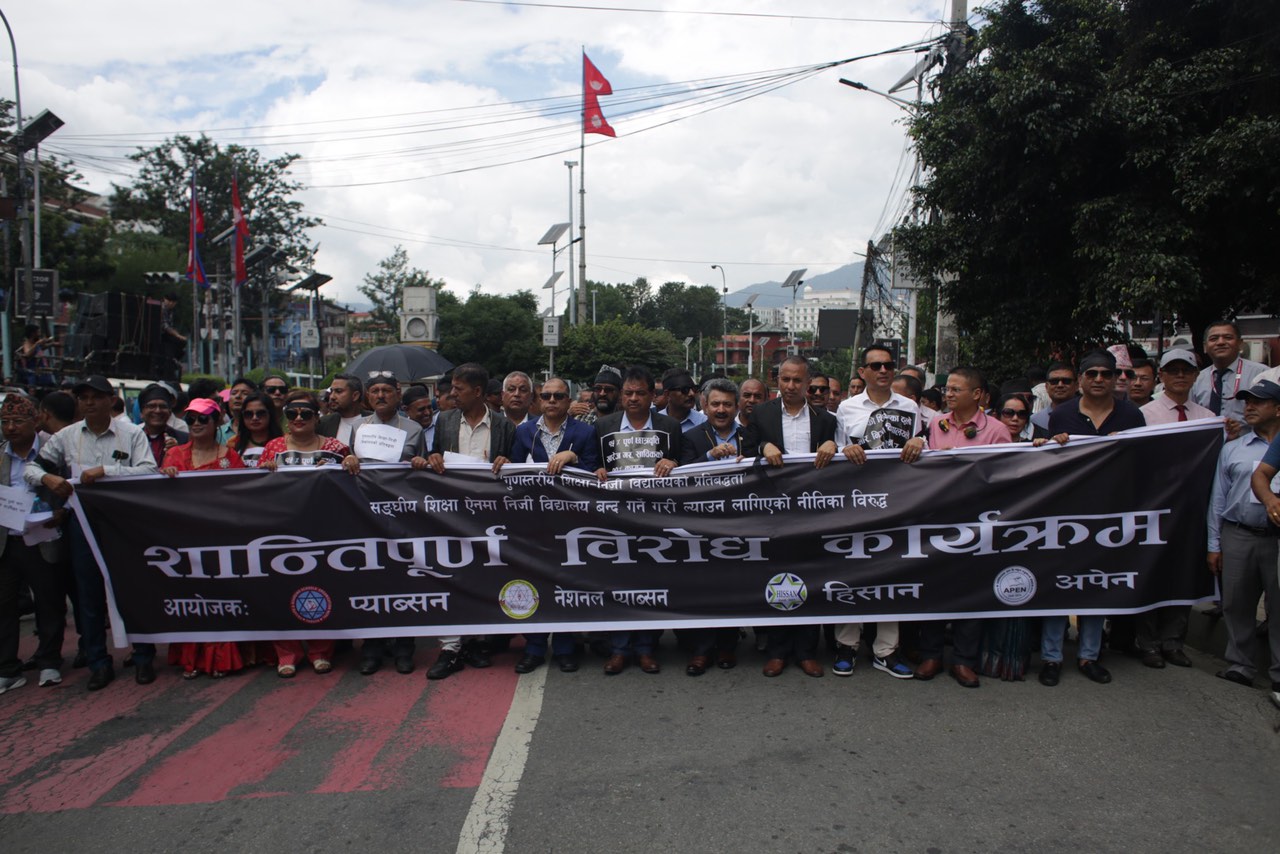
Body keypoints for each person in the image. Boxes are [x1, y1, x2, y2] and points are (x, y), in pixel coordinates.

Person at [25, 375, 159, 691]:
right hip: (82, 523)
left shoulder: (131, 434)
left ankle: (143, 656)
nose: (89, 402)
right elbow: (32, 468)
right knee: (88, 594)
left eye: (96, 397)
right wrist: (48, 479)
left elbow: (148, 470)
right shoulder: (67, 436)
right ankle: (99, 662)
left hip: (123, 523)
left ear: (110, 400)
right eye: (83, 397)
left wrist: (107, 472)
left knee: (131, 589)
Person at [1039, 351, 1146, 687]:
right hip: (1066, 514)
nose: (1099, 379)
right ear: (1081, 379)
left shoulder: (1131, 415)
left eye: (1106, 373)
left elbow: (1143, 463)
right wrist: (1049, 446)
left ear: (1115, 379)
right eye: (1092, 373)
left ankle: (1089, 655)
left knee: (1097, 585)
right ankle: (1052, 657)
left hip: (1111, 514)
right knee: (1059, 584)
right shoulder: (1062, 415)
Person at [831, 346, 924, 681]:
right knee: (851, 573)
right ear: (863, 371)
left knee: (890, 574)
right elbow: (837, 448)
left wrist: (921, 442)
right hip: (856, 502)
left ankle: (886, 650)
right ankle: (846, 646)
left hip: (897, 501)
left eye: (888, 365)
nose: (883, 370)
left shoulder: (910, 407)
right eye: (876, 365)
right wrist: (844, 449)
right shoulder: (847, 408)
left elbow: (920, 447)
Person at [742, 355, 838, 678]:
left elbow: (840, 459)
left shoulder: (826, 419)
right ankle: (778, 651)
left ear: (808, 383)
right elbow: (746, 450)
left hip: (813, 511)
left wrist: (833, 446)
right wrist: (763, 447)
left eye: (798, 380)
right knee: (777, 578)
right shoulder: (762, 413)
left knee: (811, 578)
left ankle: (807, 651)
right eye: (785, 379)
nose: (791, 386)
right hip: (774, 511)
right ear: (777, 381)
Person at [917, 367, 1012, 689]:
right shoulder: (936, 424)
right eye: (948, 389)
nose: (949, 394)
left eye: (956, 389)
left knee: (971, 590)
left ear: (978, 394)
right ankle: (931, 654)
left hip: (977, 520)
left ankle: (963, 660)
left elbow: (1004, 475)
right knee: (934, 587)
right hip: (939, 518)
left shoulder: (996, 430)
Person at [423, 363, 515, 679]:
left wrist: (508, 462)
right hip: (450, 516)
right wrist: (432, 458)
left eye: (458, 389)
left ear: (477, 392)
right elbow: (432, 456)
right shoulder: (445, 421)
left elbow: (515, 468)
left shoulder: (504, 426)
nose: (452, 394)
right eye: (452, 388)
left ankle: (476, 643)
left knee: (483, 579)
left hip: (489, 519)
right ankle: (450, 648)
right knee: (448, 577)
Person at [593, 366, 684, 675]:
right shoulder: (602, 426)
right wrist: (596, 470)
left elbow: (687, 467)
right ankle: (619, 649)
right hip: (615, 519)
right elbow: (592, 464)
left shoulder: (670, 426)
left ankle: (646, 647)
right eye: (628, 393)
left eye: (640, 393)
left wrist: (673, 461)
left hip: (655, 519)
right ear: (621, 395)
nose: (633, 399)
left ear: (652, 396)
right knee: (618, 583)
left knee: (650, 583)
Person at [505, 377, 599, 674]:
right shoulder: (524, 432)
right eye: (546, 396)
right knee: (534, 582)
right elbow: (512, 474)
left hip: (571, 522)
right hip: (533, 523)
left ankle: (564, 646)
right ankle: (534, 647)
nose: (552, 401)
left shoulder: (585, 432)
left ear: (569, 400)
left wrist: (573, 457)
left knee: (566, 584)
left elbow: (595, 474)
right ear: (539, 400)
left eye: (559, 396)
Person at [260, 391, 348, 676]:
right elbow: (257, 487)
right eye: (292, 414)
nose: (299, 418)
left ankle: (321, 651)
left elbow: (353, 481)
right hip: (281, 530)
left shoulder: (336, 447)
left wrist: (348, 464)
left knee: (323, 589)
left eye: (305, 414)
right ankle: (287, 653)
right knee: (279, 592)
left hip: (324, 531)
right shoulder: (272, 447)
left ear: (316, 417)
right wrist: (264, 471)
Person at [341, 375, 424, 676]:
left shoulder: (414, 429)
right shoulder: (358, 428)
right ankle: (372, 648)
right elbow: (350, 466)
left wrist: (420, 463)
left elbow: (423, 471)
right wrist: (349, 459)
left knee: (403, 581)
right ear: (367, 397)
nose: (380, 395)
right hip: (366, 515)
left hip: (402, 516)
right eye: (374, 391)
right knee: (371, 581)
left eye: (386, 390)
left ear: (397, 394)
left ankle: (404, 648)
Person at [159, 398, 246, 679]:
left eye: (202, 419)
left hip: (220, 539)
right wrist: (163, 477)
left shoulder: (230, 457)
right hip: (183, 541)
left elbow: (243, 496)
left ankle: (220, 657)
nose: (196, 424)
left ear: (217, 421)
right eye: (190, 419)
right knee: (190, 597)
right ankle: (191, 658)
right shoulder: (174, 456)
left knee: (220, 597)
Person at [1207, 379, 1280, 700]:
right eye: (1246, 401)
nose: (1249, 407)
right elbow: (1218, 500)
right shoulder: (1233, 448)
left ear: (1278, 409)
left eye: (1258, 402)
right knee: (1236, 603)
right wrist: (1214, 545)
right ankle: (1240, 665)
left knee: (1279, 607)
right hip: (1239, 533)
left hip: (1276, 540)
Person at [0, 394, 68, 695]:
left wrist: (62, 512)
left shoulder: (53, 449)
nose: (10, 428)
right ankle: (7, 668)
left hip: (43, 537)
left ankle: (49, 661)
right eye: (5, 422)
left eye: (17, 421)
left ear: (34, 421)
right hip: (7, 541)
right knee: (4, 606)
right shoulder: (1, 454)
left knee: (48, 601)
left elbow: (71, 486)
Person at [1191, 321, 1265, 429]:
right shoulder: (1196, 379)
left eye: (1228, 337)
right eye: (1214, 339)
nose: (1220, 342)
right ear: (1205, 347)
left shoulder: (1261, 374)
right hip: (1207, 439)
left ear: (1240, 343)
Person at [227, 392, 283, 468]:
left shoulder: (283, 443)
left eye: (261, 413)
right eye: (248, 414)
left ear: (270, 414)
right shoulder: (233, 443)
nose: (254, 418)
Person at [137, 384, 188, 466]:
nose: (157, 411)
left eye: (163, 406)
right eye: (152, 406)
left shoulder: (184, 439)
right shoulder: (133, 438)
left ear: (170, 412)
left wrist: (177, 452)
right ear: (141, 413)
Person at [318, 373, 370, 446]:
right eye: (332, 391)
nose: (332, 397)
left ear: (355, 396)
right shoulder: (323, 423)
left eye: (338, 391)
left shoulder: (374, 421)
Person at [1030, 362, 1078, 432]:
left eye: (1066, 381)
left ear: (1076, 386)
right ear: (1046, 386)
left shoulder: (1088, 417)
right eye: (1054, 381)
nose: (1060, 385)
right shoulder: (1035, 420)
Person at [402, 385, 436, 453]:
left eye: (429, 407)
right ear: (406, 410)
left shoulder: (442, 427)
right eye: (421, 409)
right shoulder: (400, 431)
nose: (427, 413)